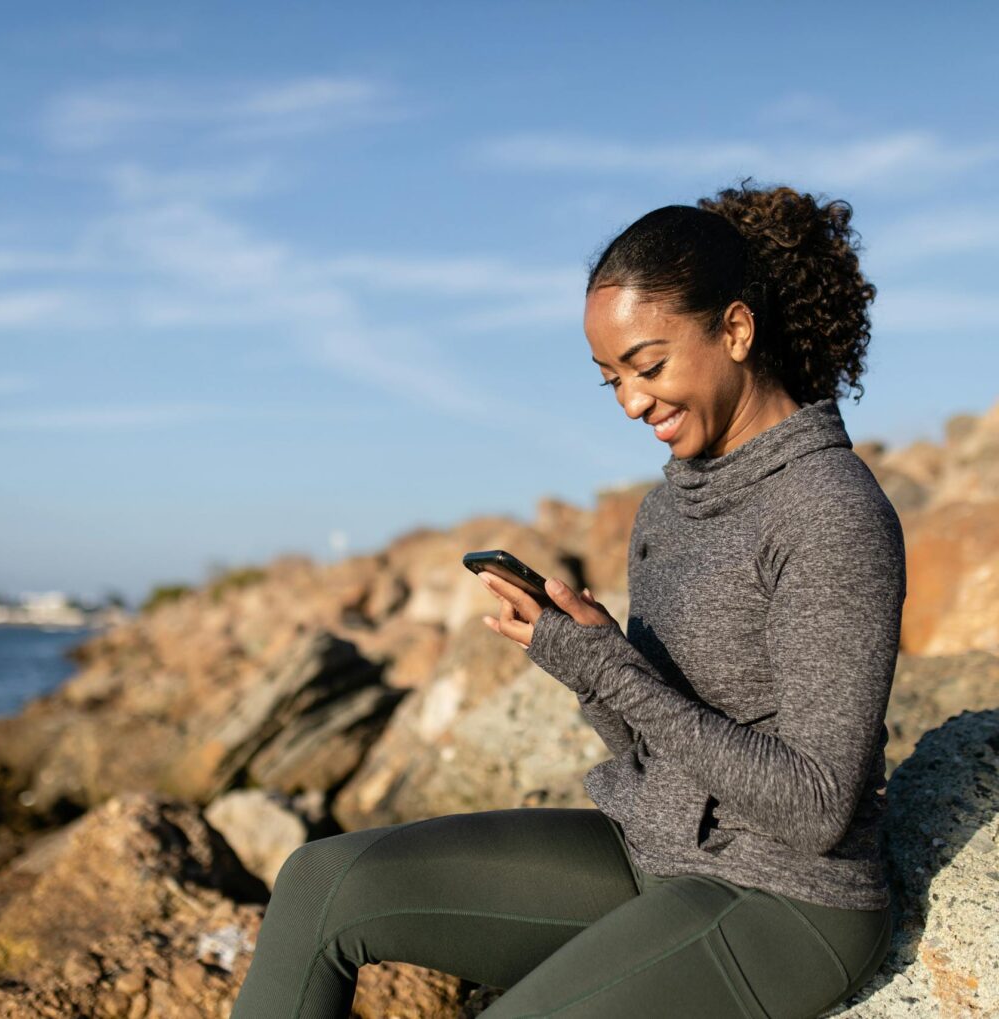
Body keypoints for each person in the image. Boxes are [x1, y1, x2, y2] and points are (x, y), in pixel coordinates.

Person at [230, 179, 906, 1018]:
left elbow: (814, 806)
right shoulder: (672, 505)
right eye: (610, 378)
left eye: (648, 366)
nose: (631, 401)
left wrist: (614, 672)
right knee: (320, 883)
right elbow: (650, 748)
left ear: (736, 329)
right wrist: (588, 664)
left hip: (784, 901)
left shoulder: (831, 510)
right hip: (650, 855)